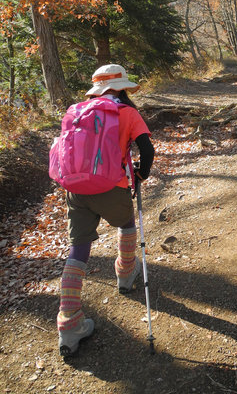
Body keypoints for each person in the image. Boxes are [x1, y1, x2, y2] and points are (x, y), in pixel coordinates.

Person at [56, 64, 154, 357]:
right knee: (126, 224)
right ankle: (125, 274)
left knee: (78, 249)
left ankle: (69, 323)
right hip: (111, 187)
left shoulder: (77, 111)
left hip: (75, 189)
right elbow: (146, 150)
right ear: (121, 87)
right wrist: (141, 174)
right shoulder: (126, 112)